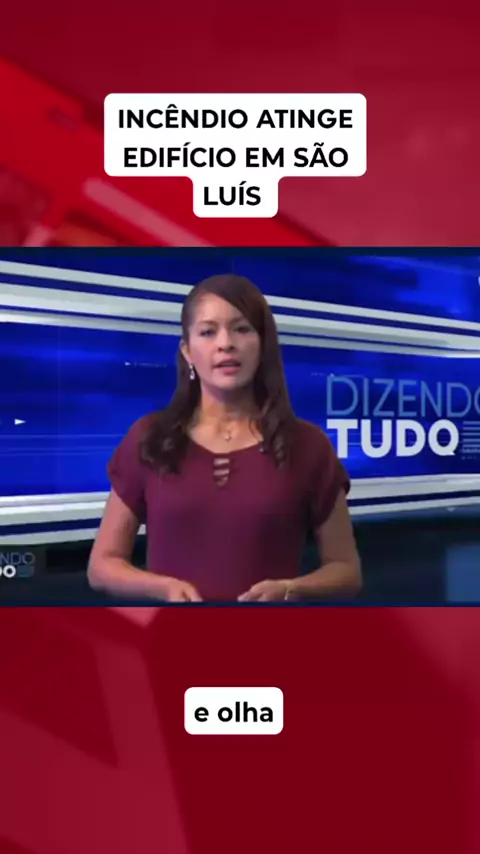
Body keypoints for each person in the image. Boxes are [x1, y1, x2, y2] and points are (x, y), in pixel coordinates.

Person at [88, 274, 361, 603]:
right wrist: (162, 588)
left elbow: (346, 570)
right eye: (208, 331)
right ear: (187, 351)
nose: (225, 343)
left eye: (242, 329)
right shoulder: (149, 438)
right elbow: (102, 565)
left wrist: (291, 589)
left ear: (262, 345)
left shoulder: (308, 445)